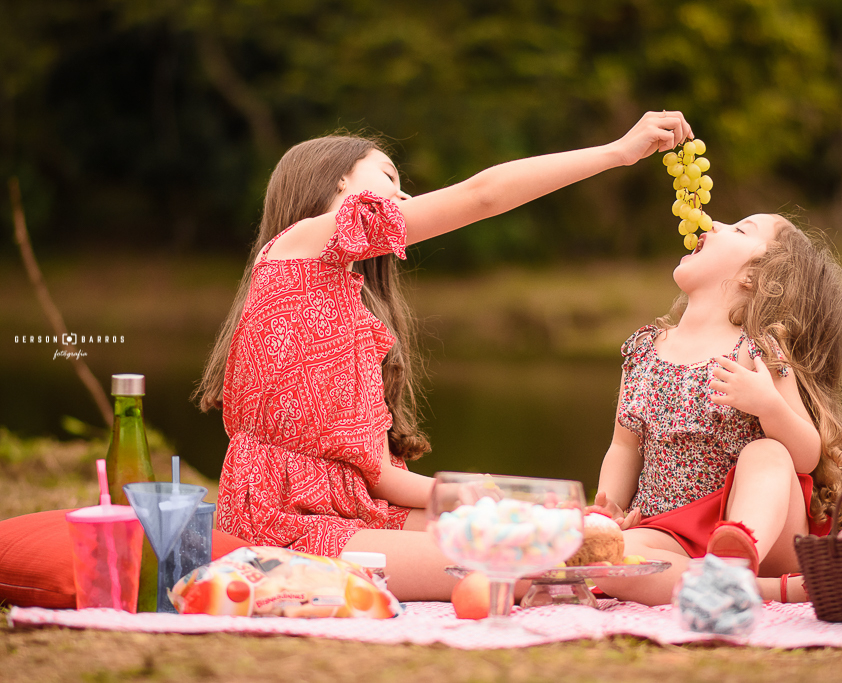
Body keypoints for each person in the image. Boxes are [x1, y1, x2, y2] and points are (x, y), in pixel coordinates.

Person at [194, 111, 692, 601]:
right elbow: (482, 196)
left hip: (354, 511)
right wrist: (616, 153)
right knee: (528, 566)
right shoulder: (296, 249)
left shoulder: (345, 307)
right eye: (390, 177)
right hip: (282, 525)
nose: (405, 198)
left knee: (555, 542)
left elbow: (374, 475)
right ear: (339, 178)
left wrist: (484, 498)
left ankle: (755, 583)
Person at [589, 215, 842, 606]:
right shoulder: (644, 350)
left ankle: (736, 557)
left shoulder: (758, 351)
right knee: (604, 555)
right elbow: (625, 448)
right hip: (668, 530)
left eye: (740, 229)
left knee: (768, 453)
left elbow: (806, 454)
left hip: (763, 530)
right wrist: (608, 510)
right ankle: (754, 589)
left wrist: (768, 405)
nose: (713, 223)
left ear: (757, 276)